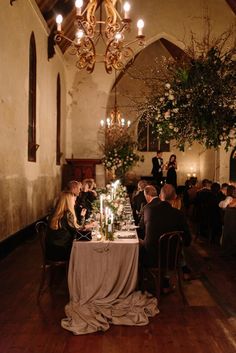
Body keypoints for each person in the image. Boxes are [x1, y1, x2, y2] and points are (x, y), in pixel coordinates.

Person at [139, 184, 191, 269]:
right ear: (175, 197)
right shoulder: (179, 214)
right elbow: (187, 241)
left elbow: (142, 231)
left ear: (160, 196)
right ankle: (169, 275)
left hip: (150, 258)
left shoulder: (148, 209)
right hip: (171, 259)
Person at [46, 191, 89, 261]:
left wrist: (82, 217)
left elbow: (74, 229)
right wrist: (87, 225)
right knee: (84, 251)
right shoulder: (68, 215)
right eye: (73, 201)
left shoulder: (55, 212)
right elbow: (77, 232)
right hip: (61, 251)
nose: (75, 203)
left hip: (51, 250)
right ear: (68, 202)